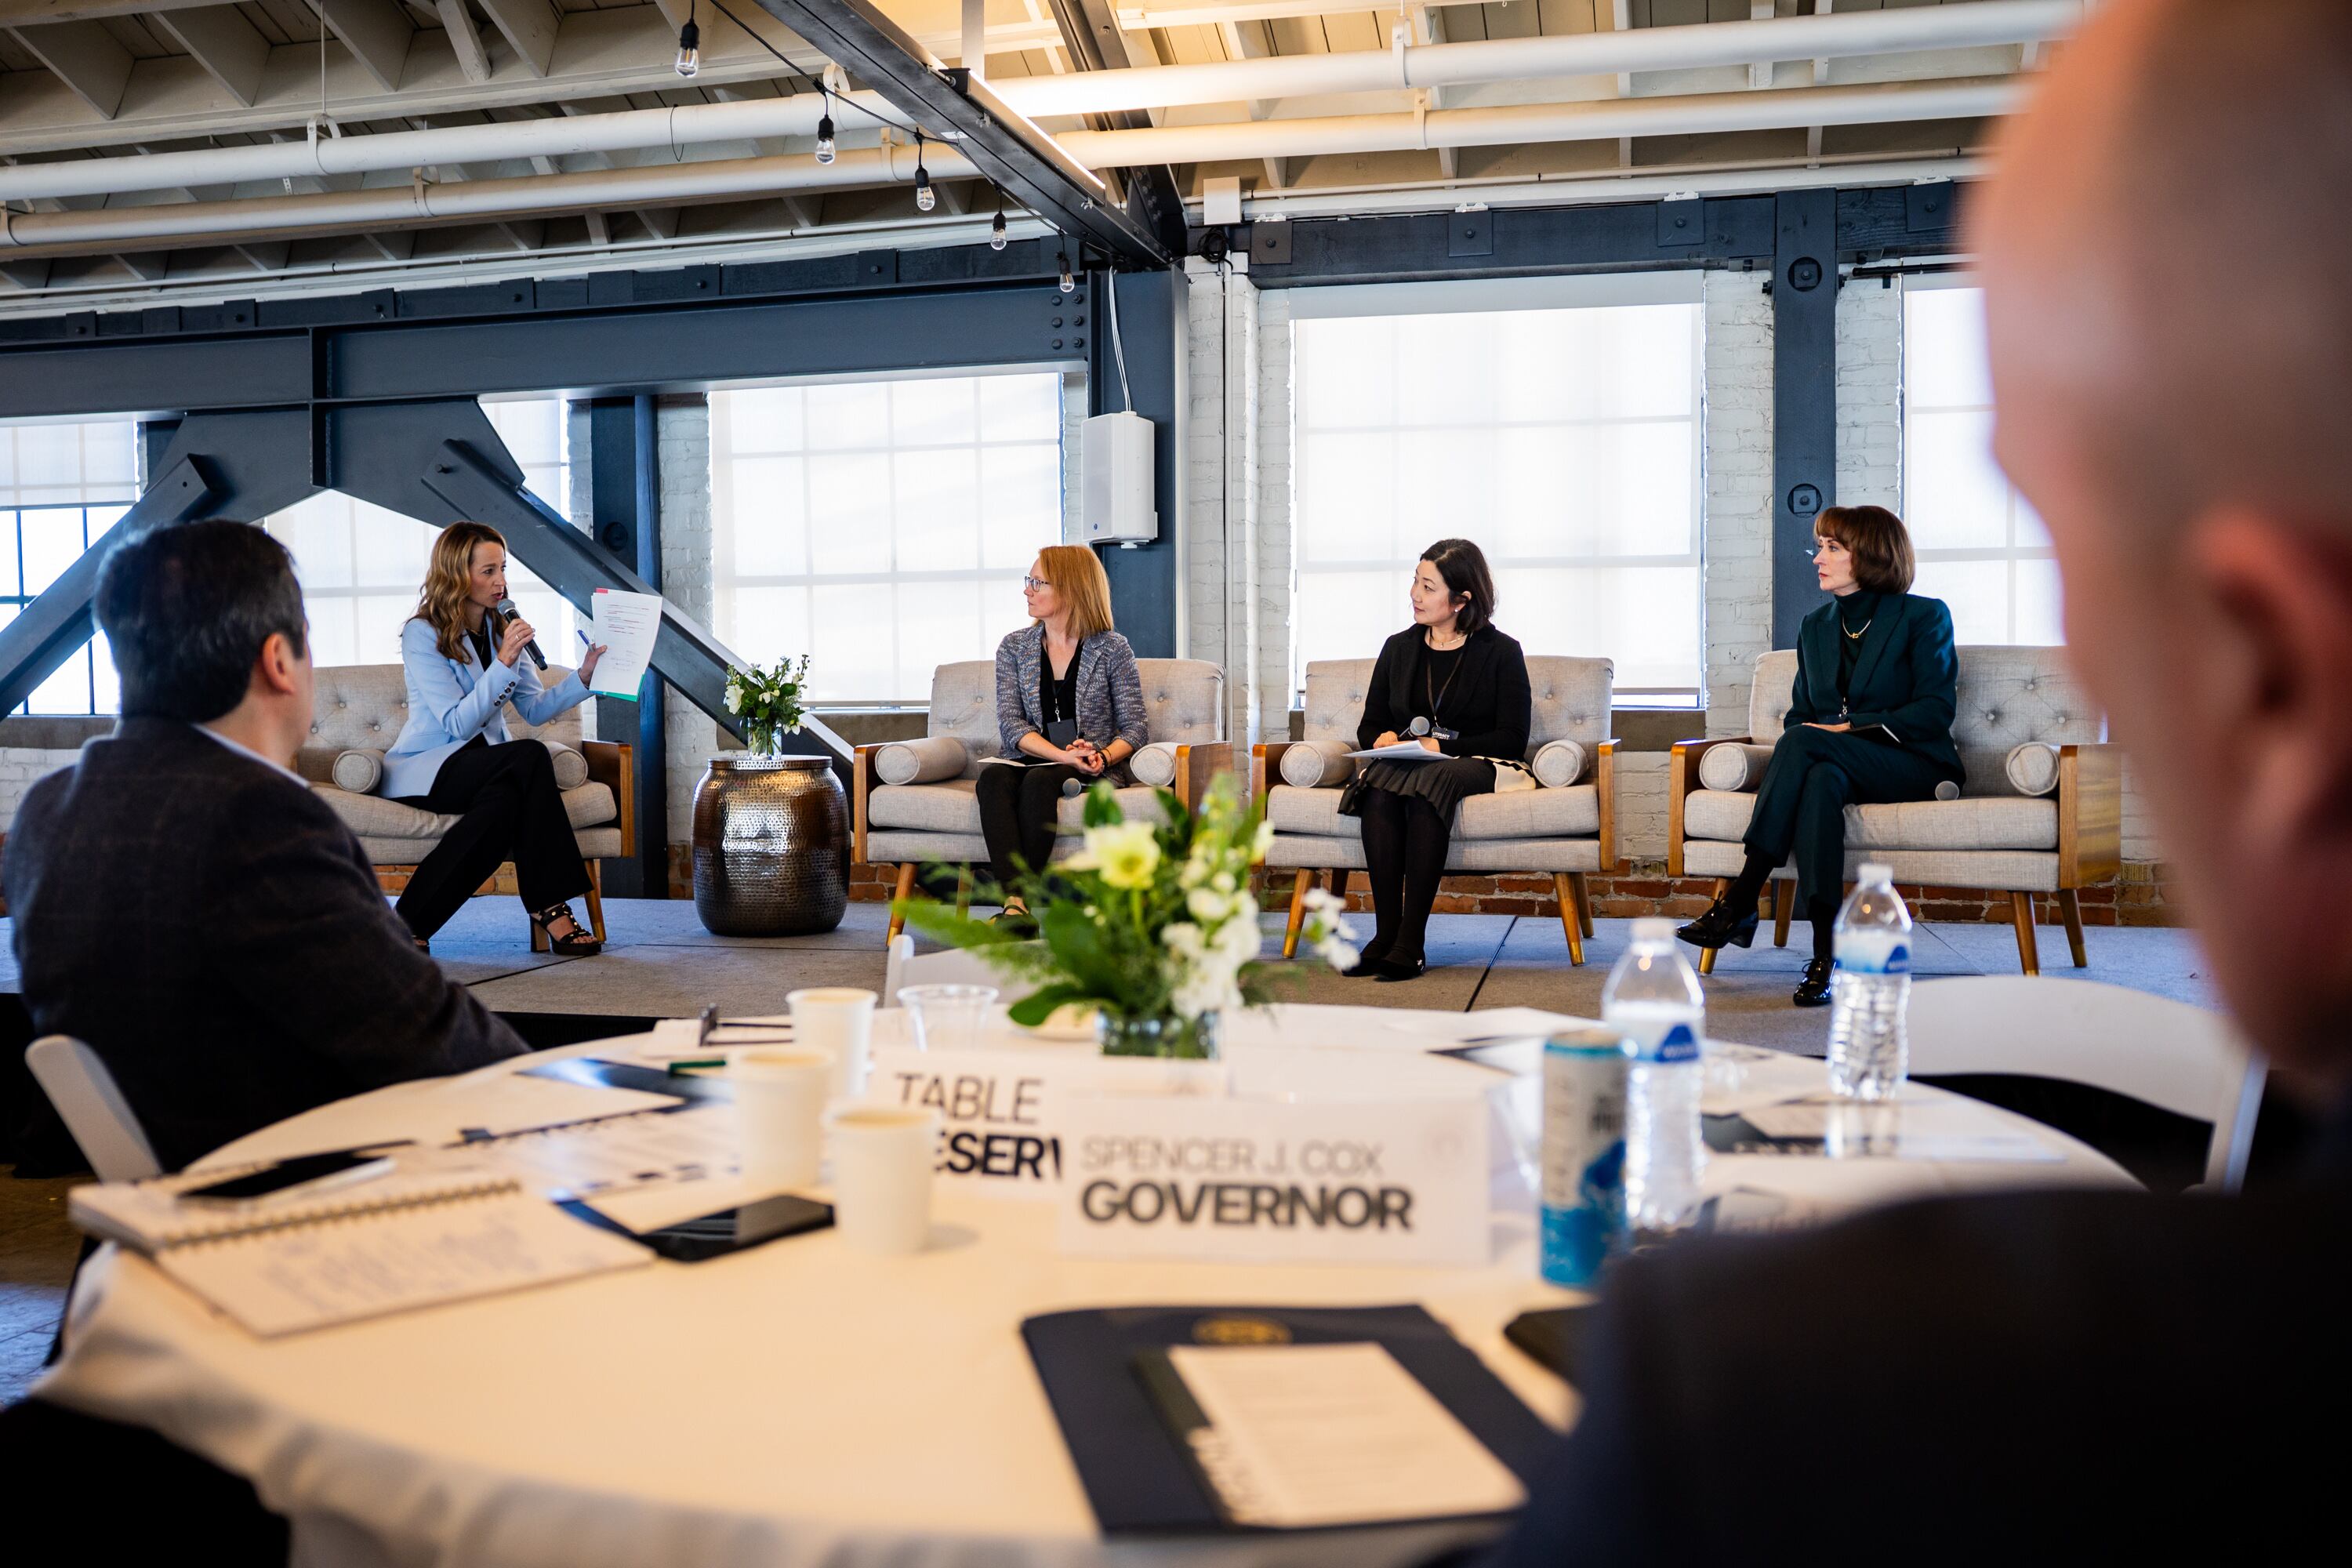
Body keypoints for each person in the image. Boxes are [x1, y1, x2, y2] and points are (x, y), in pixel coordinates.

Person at [1479, 2, 2352, 1560]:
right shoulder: (1822, 625)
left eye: (2081, 535)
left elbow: (1919, 705)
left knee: (1816, 760)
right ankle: (1792, 925)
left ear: (2275, 680)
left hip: (1903, 751)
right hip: (1834, 755)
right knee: (1807, 762)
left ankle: (1753, 912)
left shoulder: (1788, 1390)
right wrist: (1821, 714)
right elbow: (1820, 697)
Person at [2, 520, 526, 1175]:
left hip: (143, 1225)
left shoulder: (48, 813)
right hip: (293, 1224)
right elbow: (433, 1041)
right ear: (280, 660)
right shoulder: (261, 819)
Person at [1674, 505, 1962, 1006]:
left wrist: (1849, 727)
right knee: (1820, 779)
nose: (1817, 558)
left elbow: (1935, 712)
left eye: (1833, 547)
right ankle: (1826, 955)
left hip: (1911, 763)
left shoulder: (1923, 615)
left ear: (1869, 554)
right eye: (1820, 546)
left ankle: (1742, 898)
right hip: (1836, 763)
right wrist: (1827, 735)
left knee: (1809, 745)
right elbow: (1799, 716)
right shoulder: (1816, 626)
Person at [384, 521, 608, 955]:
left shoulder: (499, 625)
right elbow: (457, 725)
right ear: (456, 573)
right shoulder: (422, 632)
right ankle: (550, 906)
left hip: (488, 769)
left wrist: (584, 677)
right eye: (488, 571)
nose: (501, 582)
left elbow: (535, 709)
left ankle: (407, 925)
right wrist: (504, 660)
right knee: (526, 757)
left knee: (505, 804)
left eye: (502, 569)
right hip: (431, 768)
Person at [1339, 539, 1530, 982]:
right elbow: (1371, 724)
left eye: (1428, 586)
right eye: (1415, 581)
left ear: (1462, 599)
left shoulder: (1501, 652)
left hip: (1482, 761)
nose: (1414, 594)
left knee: (1434, 777)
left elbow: (1512, 739)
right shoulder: (1398, 648)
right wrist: (1383, 737)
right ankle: (1385, 935)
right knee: (1382, 786)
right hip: (1410, 763)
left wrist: (1443, 749)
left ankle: (1412, 941)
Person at [979, 545, 1149, 921]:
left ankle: (1015, 905)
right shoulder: (1014, 647)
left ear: (1070, 589)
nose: (1028, 590)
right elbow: (1011, 723)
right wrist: (1061, 755)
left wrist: (1100, 757)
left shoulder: (1112, 648)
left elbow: (1136, 727)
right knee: (993, 777)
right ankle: (1017, 906)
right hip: (1033, 757)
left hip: (1090, 765)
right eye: (1029, 581)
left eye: (1038, 582)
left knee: (1040, 782)